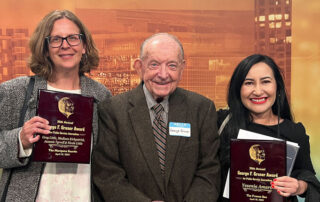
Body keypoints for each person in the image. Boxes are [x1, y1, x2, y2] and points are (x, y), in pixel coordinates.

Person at [92, 33, 220, 202]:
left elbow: (209, 171)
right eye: (154, 64)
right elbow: (108, 173)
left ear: (182, 68)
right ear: (139, 66)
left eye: (172, 65)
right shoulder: (113, 110)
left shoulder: (202, 109)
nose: (163, 74)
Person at [0, 10, 111, 201]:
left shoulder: (102, 96)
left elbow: (110, 160)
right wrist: (20, 140)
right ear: (45, 48)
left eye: (73, 38)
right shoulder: (15, 91)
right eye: (56, 39)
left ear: (84, 46)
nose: (65, 45)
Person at [218, 54, 320, 202]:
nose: (258, 91)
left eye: (265, 82)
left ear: (277, 87)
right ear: (238, 89)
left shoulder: (294, 132)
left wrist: (299, 186)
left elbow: (309, 179)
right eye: (249, 83)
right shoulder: (222, 122)